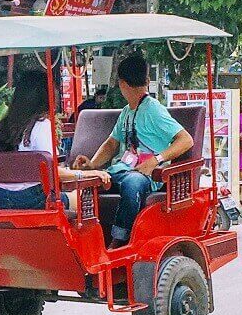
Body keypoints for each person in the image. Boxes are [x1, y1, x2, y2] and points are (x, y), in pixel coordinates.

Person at [73, 54, 193, 248]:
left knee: (133, 182)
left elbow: (186, 140)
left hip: (148, 174)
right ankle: (89, 239)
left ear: (121, 84)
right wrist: (93, 165)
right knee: (92, 180)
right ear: (146, 80)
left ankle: (119, 239)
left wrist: (156, 160)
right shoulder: (127, 112)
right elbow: (111, 143)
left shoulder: (154, 109)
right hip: (122, 170)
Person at [0, 71, 110, 209]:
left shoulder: (3, 126)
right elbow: (55, 173)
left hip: (0, 198)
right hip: (31, 199)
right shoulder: (40, 126)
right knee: (80, 197)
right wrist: (89, 173)